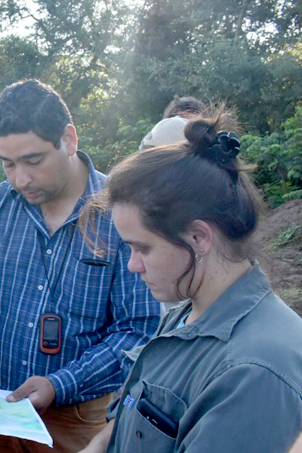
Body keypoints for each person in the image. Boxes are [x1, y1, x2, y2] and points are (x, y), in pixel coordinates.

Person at [0, 79, 160, 453]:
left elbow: (138, 329)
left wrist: (61, 383)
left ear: (69, 140)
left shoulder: (120, 215)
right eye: (8, 164)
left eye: (33, 160)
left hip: (78, 420)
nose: (20, 178)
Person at [78, 110, 302, 453]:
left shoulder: (254, 373)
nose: (133, 266)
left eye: (142, 248)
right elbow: (132, 409)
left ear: (198, 238)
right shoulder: (186, 310)